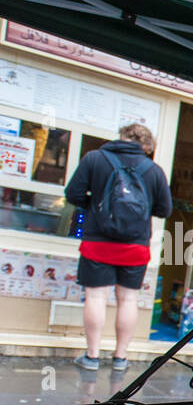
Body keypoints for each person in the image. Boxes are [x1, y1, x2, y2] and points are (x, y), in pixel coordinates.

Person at [64, 123, 172, 372]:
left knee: (96, 297)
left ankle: (92, 356)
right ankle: (120, 357)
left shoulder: (95, 159)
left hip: (97, 242)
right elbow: (164, 209)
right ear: (146, 145)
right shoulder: (154, 170)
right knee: (128, 299)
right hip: (135, 246)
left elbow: (73, 194)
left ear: (121, 137)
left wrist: (96, 203)